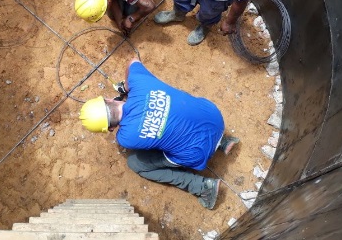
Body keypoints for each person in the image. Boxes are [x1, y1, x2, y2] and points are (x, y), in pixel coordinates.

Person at [79, 58, 239, 210]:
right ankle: (222, 141)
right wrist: (127, 87)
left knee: (135, 163)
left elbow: (149, 134)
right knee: (180, 112)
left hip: (198, 153)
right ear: (109, 99)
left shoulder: (125, 138)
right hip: (215, 118)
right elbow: (133, 61)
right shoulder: (140, 82)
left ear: (110, 129)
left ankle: (202, 187)